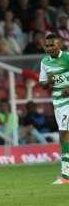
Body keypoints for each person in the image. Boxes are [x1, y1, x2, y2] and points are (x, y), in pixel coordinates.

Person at [39, 33, 69, 184]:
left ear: (60, 44)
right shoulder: (45, 62)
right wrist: (49, 82)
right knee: (64, 135)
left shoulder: (67, 58)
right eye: (47, 45)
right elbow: (43, 84)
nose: (49, 48)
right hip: (58, 102)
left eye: (52, 45)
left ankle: (66, 175)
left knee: (65, 135)